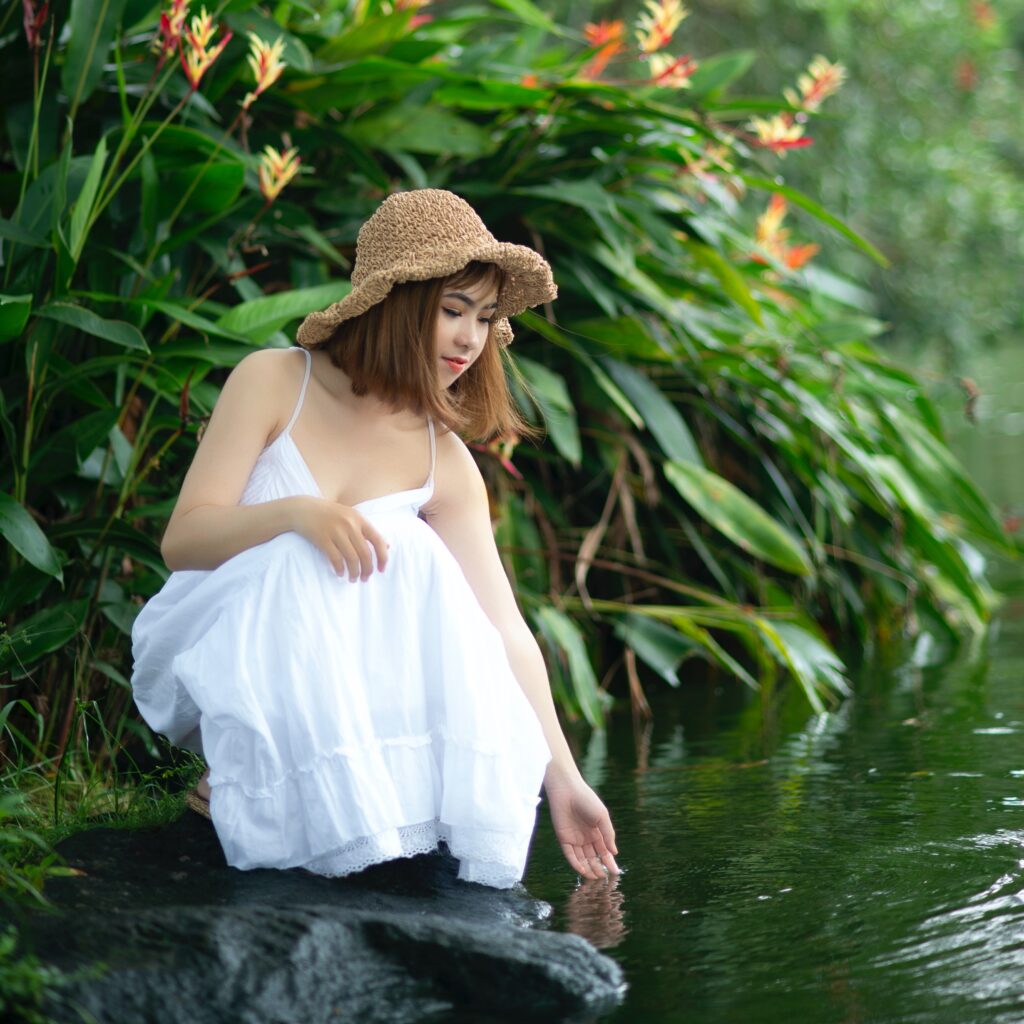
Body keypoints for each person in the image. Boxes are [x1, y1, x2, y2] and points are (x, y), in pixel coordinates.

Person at [130, 188, 620, 889]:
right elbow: (183, 541)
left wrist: (563, 779)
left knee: (416, 555)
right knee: (312, 553)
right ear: (395, 302)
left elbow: (503, 629)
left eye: (483, 319)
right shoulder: (274, 381)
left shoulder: (441, 457)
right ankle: (244, 787)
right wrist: (297, 513)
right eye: (452, 311)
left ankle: (384, 804)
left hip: (359, 702)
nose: (469, 339)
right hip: (223, 638)